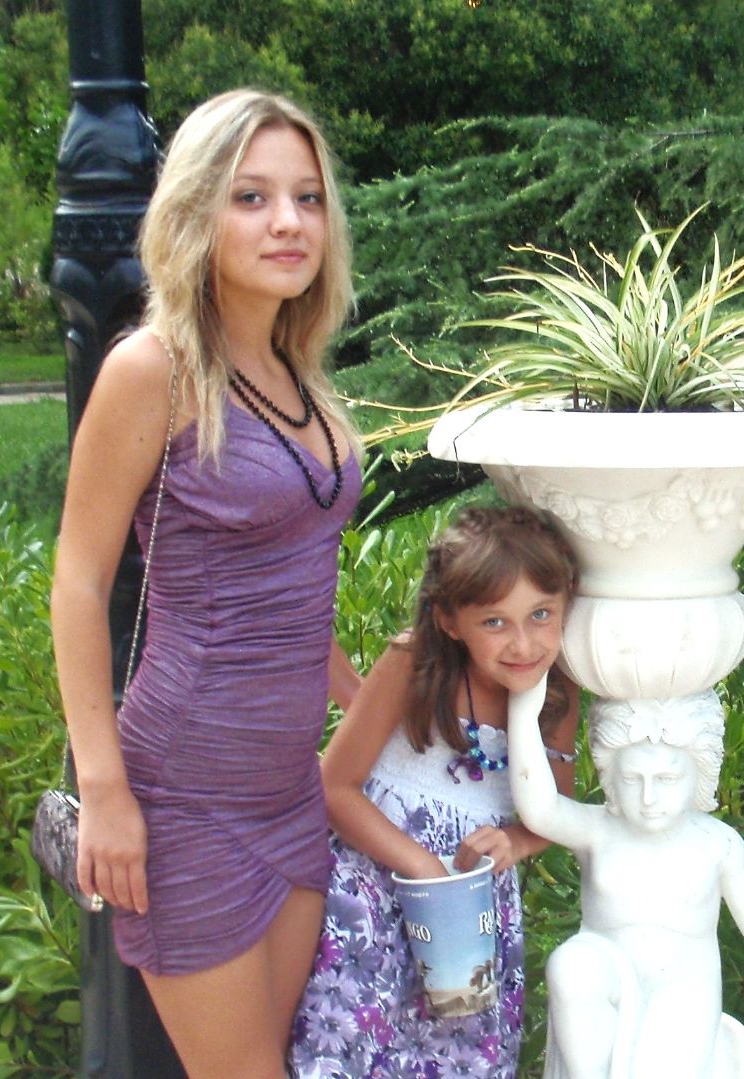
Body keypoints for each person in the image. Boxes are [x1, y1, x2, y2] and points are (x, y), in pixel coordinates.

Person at [49, 88, 363, 1078]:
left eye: (308, 198)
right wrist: (104, 791)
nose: (288, 222)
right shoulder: (154, 369)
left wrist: (374, 704)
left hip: (290, 792)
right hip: (183, 796)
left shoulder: (297, 372)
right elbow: (78, 579)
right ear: (195, 212)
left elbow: (289, 580)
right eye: (251, 197)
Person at [289, 505, 583, 1078]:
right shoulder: (415, 663)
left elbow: (556, 810)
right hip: (371, 895)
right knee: (351, 1048)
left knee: (456, 1057)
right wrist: (423, 866)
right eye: (494, 622)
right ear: (449, 619)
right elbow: (335, 788)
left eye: (541, 614)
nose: (523, 643)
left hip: (468, 917)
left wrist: (515, 842)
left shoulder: (557, 695)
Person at [505, 686, 744, 1079]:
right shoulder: (598, 830)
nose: (648, 798)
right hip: (607, 973)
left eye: (666, 778)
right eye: (632, 779)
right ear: (611, 776)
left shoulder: (717, 844)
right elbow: (540, 811)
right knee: (571, 966)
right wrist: (524, 712)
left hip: (683, 987)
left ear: (700, 770)